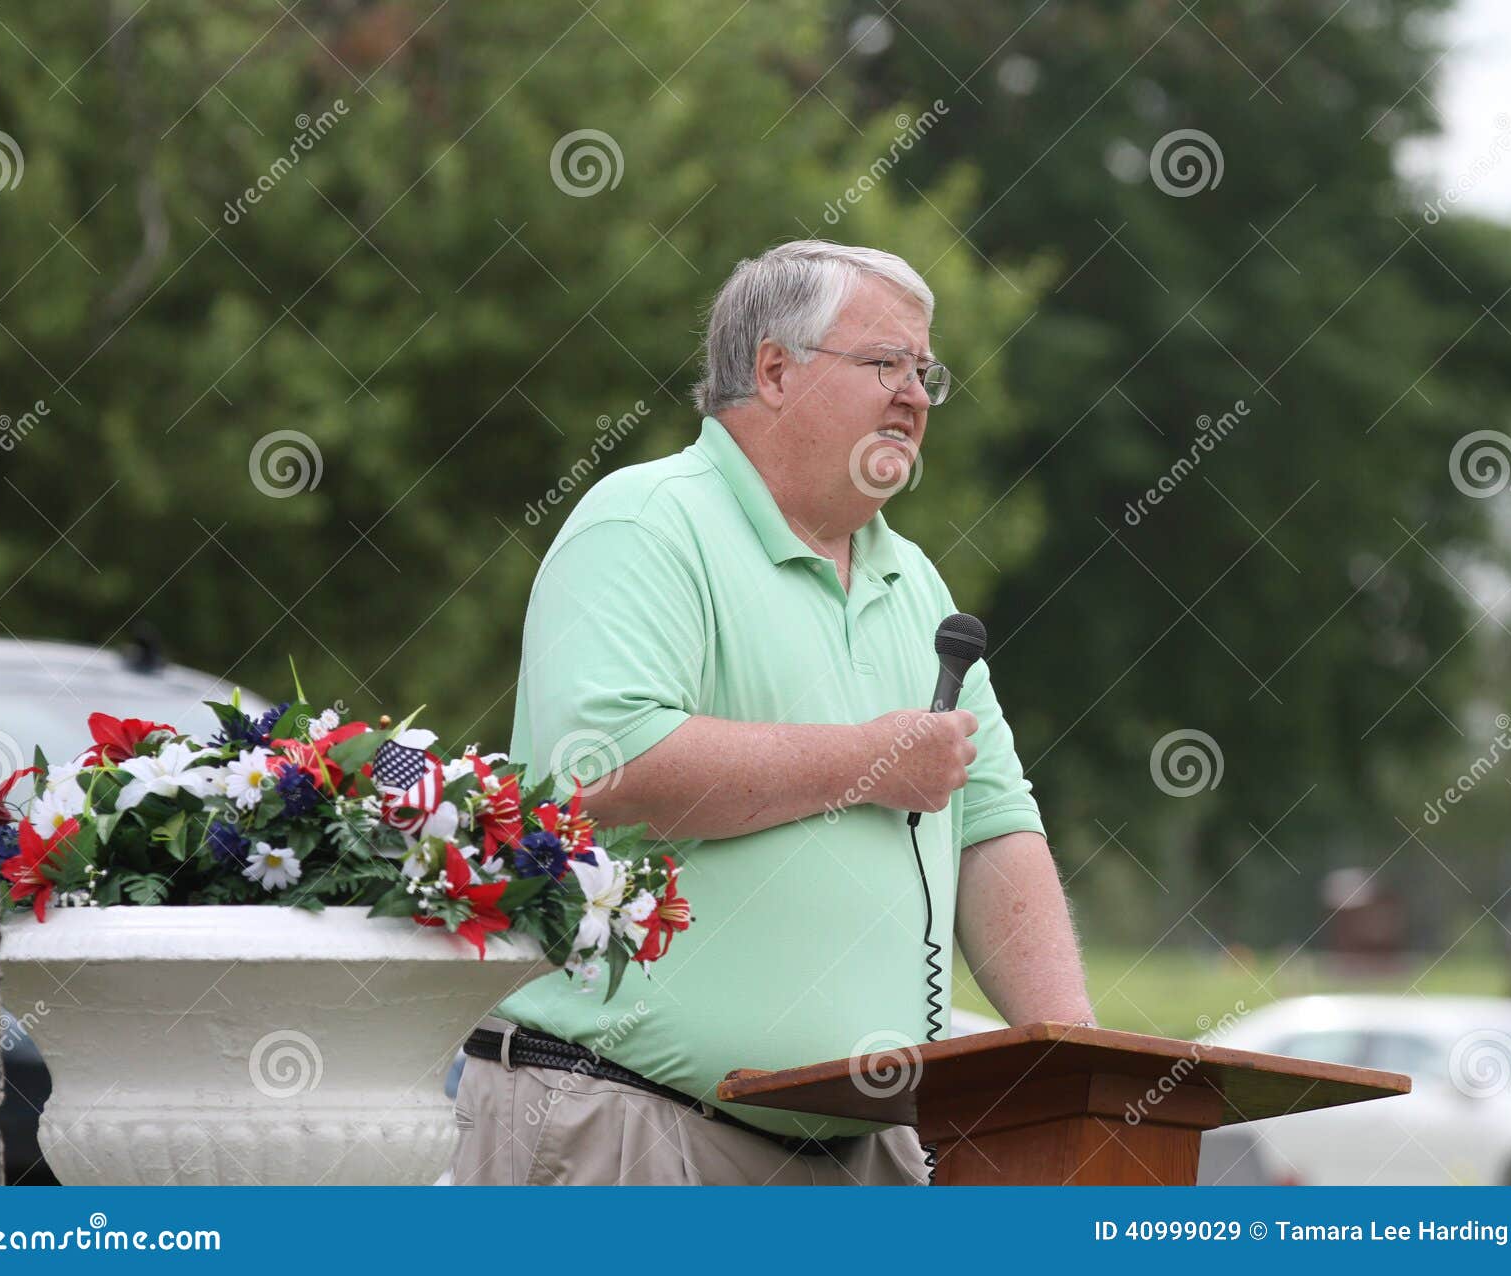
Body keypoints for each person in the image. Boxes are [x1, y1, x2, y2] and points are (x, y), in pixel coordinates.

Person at [451, 240, 1096, 1186]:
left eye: (925, 371)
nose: (914, 394)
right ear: (775, 370)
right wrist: (869, 762)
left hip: (857, 1157)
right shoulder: (645, 523)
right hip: (629, 1127)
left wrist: (1078, 1068)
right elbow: (599, 769)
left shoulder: (915, 583)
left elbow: (993, 828)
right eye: (884, 364)